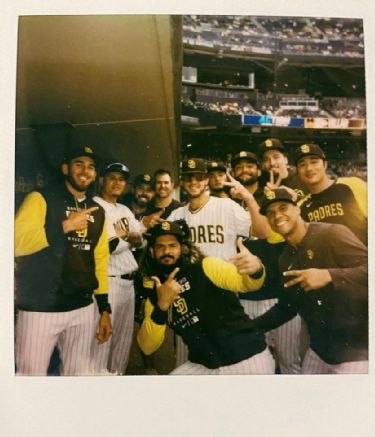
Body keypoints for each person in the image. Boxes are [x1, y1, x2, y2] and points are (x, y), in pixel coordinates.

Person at [14, 145, 112, 376]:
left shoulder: (97, 210)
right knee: (31, 376)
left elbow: (99, 261)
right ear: (66, 168)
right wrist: (65, 226)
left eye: (91, 167)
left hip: (82, 308)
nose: (85, 170)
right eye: (79, 164)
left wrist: (104, 309)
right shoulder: (40, 198)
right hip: (41, 308)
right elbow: (15, 243)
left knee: (77, 376)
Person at [252, 188, 368, 374]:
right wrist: (248, 326)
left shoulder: (331, 233)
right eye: (270, 213)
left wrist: (329, 275)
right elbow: (288, 305)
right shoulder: (285, 258)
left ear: (298, 209)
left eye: (283, 208)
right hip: (319, 351)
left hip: (356, 351)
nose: (277, 216)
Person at [137, 220, 275, 375]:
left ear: (183, 248)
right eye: (160, 247)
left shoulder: (206, 266)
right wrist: (162, 305)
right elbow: (146, 346)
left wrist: (255, 270)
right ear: (151, 251)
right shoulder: (158, 293)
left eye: (172, 245)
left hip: (246, 358)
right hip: (204, 365)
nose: (166, 251)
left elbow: (245, 284)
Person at [91, 162, 143, 375]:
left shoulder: (124, 209)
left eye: (121, 179)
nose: (117, 182)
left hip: (129, 283)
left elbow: (142, 241)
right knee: (102, 342)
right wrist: (129, 239)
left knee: (122, 345)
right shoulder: (94, 205)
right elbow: (108, 247)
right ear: (102, 180)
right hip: (109, 281)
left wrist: (127, 238)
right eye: (112, 177)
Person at [295, 143, 367, 245]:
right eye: (302, 165)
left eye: (314, 162)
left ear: (325, 165)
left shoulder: (352, 184)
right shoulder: (300, 207)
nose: (309, 168)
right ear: (298, 172)